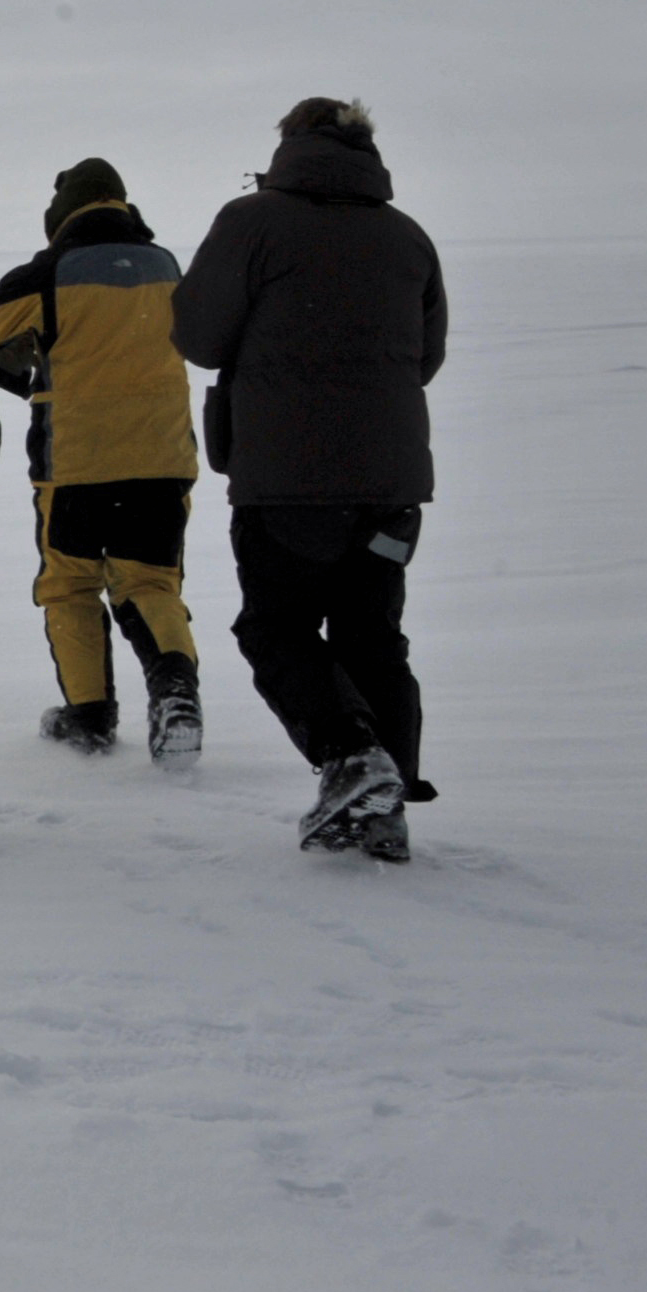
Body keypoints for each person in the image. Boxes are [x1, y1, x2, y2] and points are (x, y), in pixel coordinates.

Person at [173, 99, 448, 862]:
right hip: (391, 486)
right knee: (371, 636)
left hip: (286, 479)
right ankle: (384, 806)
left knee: (275, 629)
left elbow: (197, 336)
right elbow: (426, 359)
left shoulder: (252, 222)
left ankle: (352, 759)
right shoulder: (407, 236)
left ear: (290, 146)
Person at [0, 159, 207, 762]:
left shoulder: (50, 271)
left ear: (60, 217)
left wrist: (22, 357)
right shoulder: (166, 266)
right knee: (150, 580)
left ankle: (89, 715)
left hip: (77, 459)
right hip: (163, 453)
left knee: (71, 583)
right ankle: (176, 693)